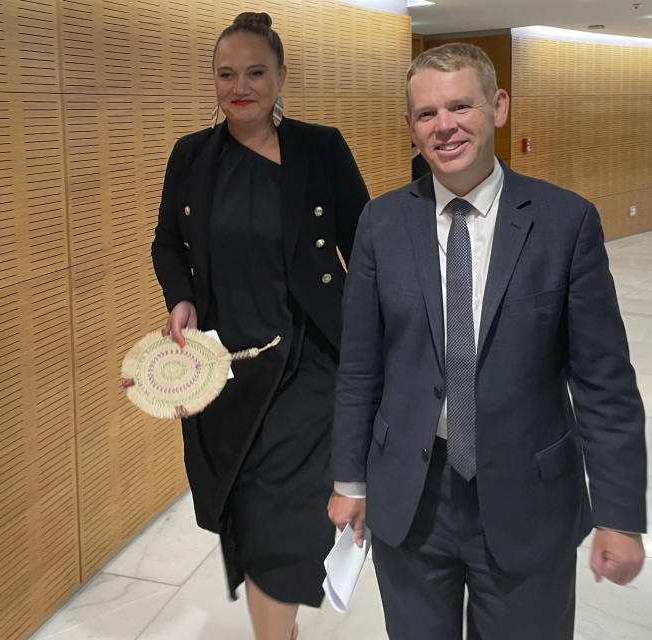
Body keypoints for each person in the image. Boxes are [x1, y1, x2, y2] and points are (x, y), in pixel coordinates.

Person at [328, 43, 647, 639]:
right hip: (411, 499)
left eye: (460, 106)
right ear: (409, 127)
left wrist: (620, 516)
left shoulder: (564, 222)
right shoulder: (382, 222)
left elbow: (604, 381)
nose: (444, 126)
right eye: (426, 114)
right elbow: (360, 367)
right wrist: (349, 481)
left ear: (497, 106)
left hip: (528, 498)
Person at [148, 12, 368, 640]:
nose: (239, 86)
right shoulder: (191, 157)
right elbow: (167, 243)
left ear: (280, 76)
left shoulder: (320, 148)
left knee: (279, 520)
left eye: (254, 73)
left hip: (307, 366)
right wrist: (181, 299)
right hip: (227, 372)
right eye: (225, 74)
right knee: (246, 517)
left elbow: (365, 246)